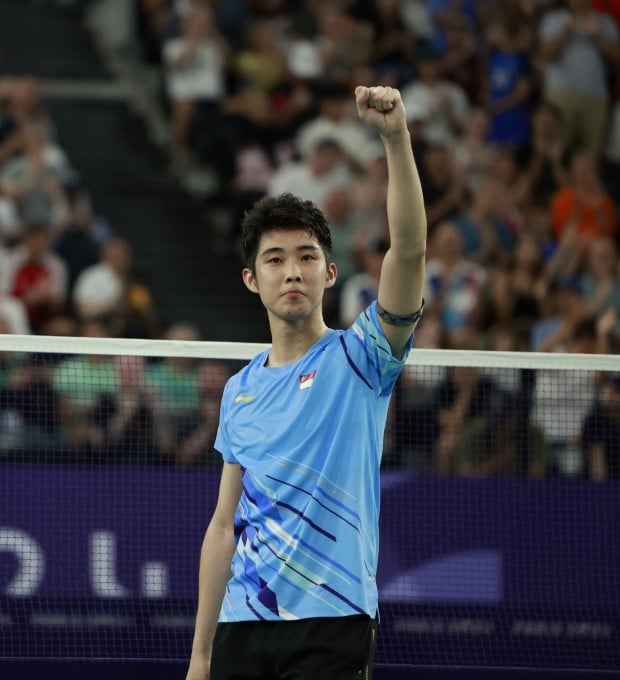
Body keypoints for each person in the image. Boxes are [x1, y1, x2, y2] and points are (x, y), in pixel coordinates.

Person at [186, 85, 426, 680]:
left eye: (306, 256)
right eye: (274, 259)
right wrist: (200, 654)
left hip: (332, 618)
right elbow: (222, 525)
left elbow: (411, 251)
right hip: (244, 620)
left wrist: (396, 138)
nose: (292, 270)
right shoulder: (239, 389)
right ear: (251, 279)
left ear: (330, 271)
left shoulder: (364, 357)